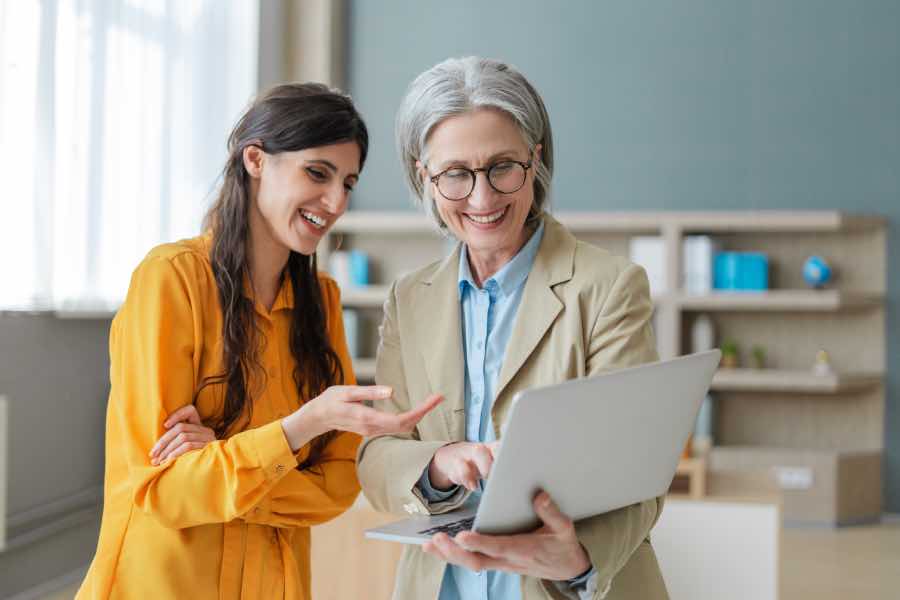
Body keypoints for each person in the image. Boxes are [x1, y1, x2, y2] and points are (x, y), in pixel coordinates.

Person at [77, 83, 441, 600]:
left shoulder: (323, 300)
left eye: (348, 183)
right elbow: (162, 489)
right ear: (255, 160)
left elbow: (340, 483)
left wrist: (224, 462)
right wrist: (299, 430)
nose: (336, 202)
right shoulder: (172, 280)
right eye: (317, 173)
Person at [356, 57, 669, 600]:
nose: (482, 199)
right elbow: (378, 455)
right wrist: (437, 463)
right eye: (456, 174)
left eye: (503, 167)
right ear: (424, 177)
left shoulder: (609, 287)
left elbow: (637, 470)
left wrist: (578, 557)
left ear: (535, 159)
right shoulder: (409, 299)